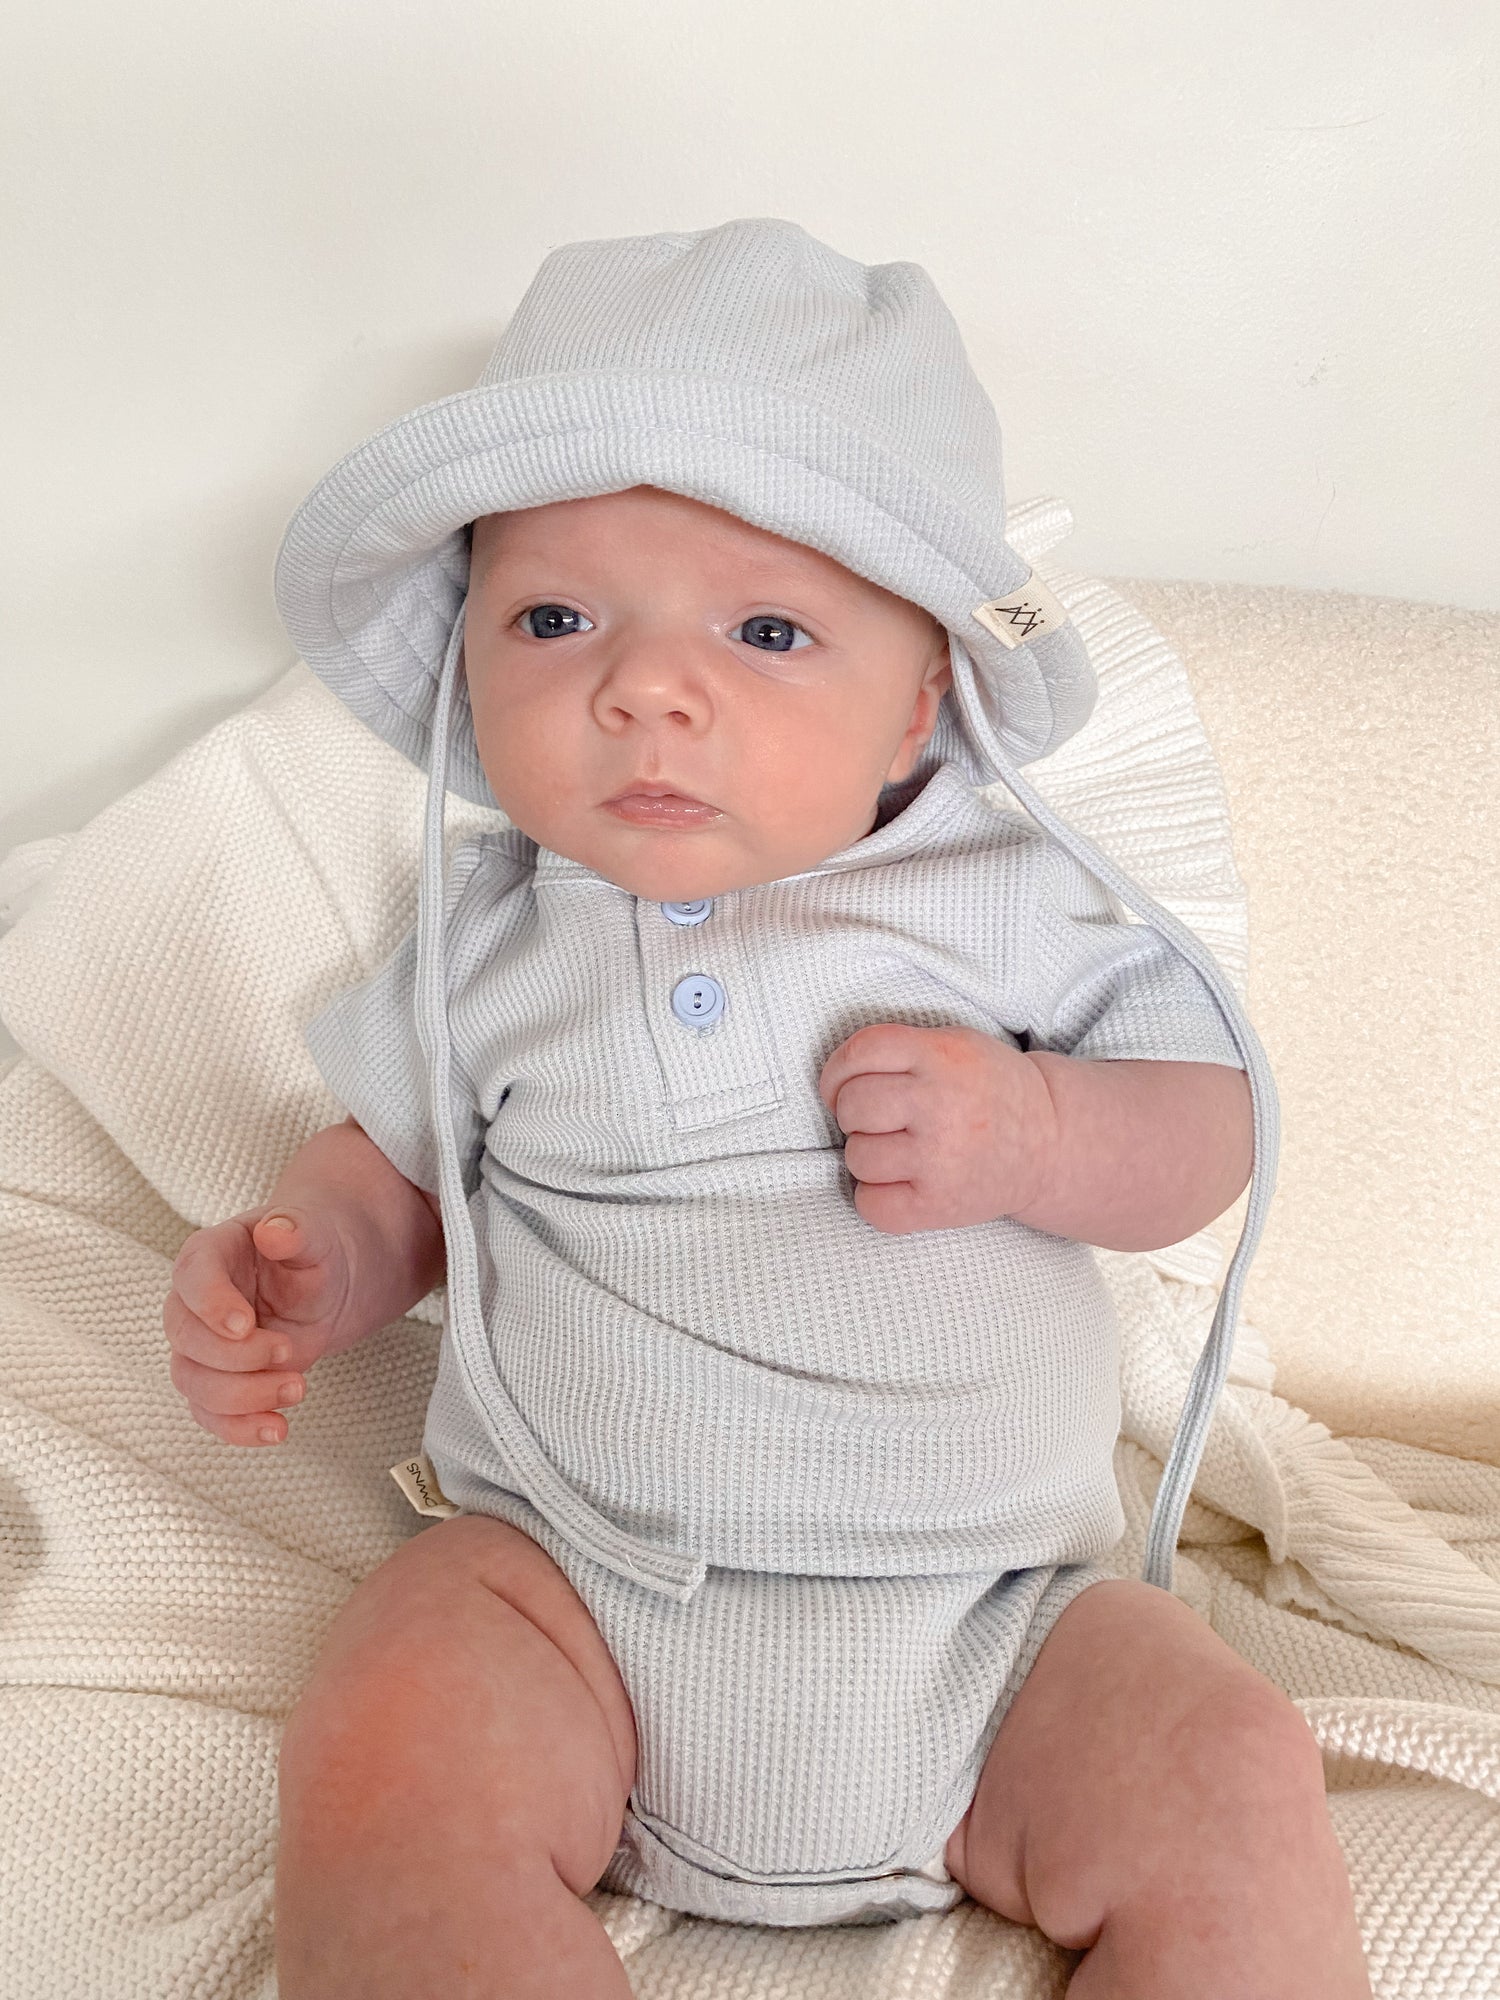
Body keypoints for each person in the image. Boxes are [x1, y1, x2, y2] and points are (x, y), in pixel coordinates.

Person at [161, 218, 1371, 1995]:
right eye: (557, 617)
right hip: (573, 1609)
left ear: (918, 715)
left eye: (771, 627)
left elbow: (1212, 1139)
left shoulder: (1016, 904)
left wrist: (1040, 1133)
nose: (646, 686)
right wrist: (308, 1274)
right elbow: (398, 1180)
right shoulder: (492, 936)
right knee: (386, 1731)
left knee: (1229, 1769)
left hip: (995, 1636)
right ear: (468, 666)